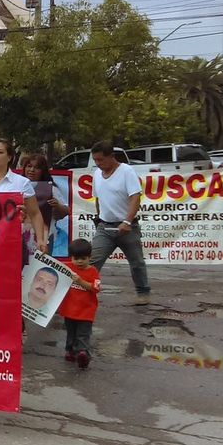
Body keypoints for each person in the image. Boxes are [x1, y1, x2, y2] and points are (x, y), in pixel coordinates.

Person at [88, 141, 150, 304]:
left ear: (111, 157)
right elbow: (98, 197)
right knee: (93, 261)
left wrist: (127, 221)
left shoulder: (126, 172)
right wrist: (98, 216)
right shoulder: (96, 174)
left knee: (136, 262)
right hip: (105, 226)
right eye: (95, 160)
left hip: (127, 227)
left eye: (100, 160)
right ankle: (86, 290)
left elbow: (135, 197)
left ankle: (143, 292)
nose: (98, 164)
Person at [0, 139, 47, 256]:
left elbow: (35, 213)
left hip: (10, 241)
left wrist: (41, 239)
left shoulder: (22, 183)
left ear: (9, 157)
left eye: (0, 152)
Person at [58, 238, 101, 370]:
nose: (79, 261)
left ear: (89, 257)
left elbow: (96, 288)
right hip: (69, 310)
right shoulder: (68, 267)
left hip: (86, 311)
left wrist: (80, 281)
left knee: (83, 334)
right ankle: (70, 350)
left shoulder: (93, 271)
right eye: (76, 258)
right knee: (71, 332)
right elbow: (51, 265)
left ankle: (83, 354)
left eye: (83, 258)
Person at [22, 154, 69, 255]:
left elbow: (65, 212)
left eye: (37, 167)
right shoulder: (16, 186)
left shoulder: (51, 189)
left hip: (45, 236)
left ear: (43, 171)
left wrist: (57, 206)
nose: (32, 170)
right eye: (29, 166)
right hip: (20, 235)